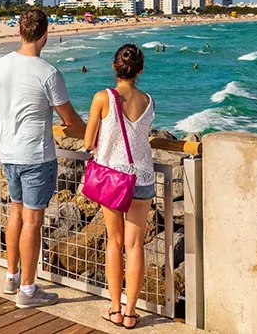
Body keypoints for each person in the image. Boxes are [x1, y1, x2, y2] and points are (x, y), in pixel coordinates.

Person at [0, 9, 86, 309]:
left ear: (19, 33)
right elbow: (70, 121)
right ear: (45, 35)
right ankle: (28, 290)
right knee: (32, 221)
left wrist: (2, 137)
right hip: (36, 157)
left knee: (15, 213)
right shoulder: (48, 73)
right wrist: (96, 134)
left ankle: (12, 276)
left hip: (9, 154)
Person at [83, 44, 155, 329]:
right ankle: (131, 313)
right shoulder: (149, 100)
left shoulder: (103, 97)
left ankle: (115, 308)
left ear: (115, 67)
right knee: (135, 245)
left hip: (114, 178)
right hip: (143, 178)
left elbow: (89, 142)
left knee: (114, 241)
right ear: (140, 70)